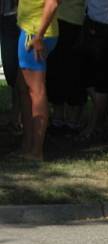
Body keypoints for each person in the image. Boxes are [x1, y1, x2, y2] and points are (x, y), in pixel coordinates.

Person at [16, 0, 59, 160]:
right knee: (24, 88)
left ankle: (36, 151)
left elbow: (52, 3)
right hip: (30, 30)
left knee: (36, 91)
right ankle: (28, 145)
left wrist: (39, 37)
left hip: (35, 34)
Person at [79, 0, 108, 142]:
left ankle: (93, 127)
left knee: (103, 82)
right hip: (90, 23)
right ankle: (103, 117)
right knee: (86, 78)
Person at [46, 0, 85, 133]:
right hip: (70, 20)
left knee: (66, 70)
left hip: (66, 21)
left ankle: (63, 118)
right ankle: (66, 119)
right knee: (66, 70)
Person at [1, 0, 20, 132]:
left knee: (16, 72)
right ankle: (15, 116)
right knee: (10, 71)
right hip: (5, 18)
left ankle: (18, 117)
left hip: (14, 18)